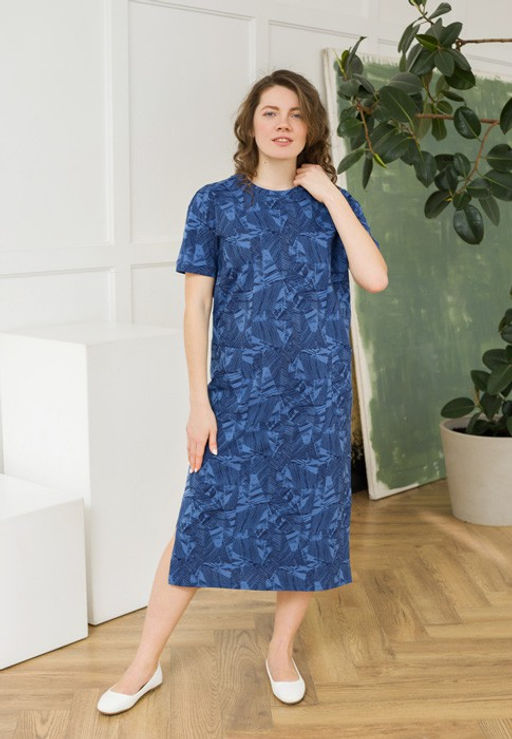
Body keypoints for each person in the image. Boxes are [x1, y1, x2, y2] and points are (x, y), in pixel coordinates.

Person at [97, 68, 388, 715]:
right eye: (270, 112)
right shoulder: (214, 203)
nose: (283, 124)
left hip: (315, 398)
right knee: (199, 522)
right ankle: (144, 664)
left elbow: (373, 276)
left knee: (308, 524)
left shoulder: (330, 204)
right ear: (250, 125)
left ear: (311, 129)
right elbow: (195, 308)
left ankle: (280, 651)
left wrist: (330, 193)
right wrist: (199, 402)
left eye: (297, 114)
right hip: (238, 395)